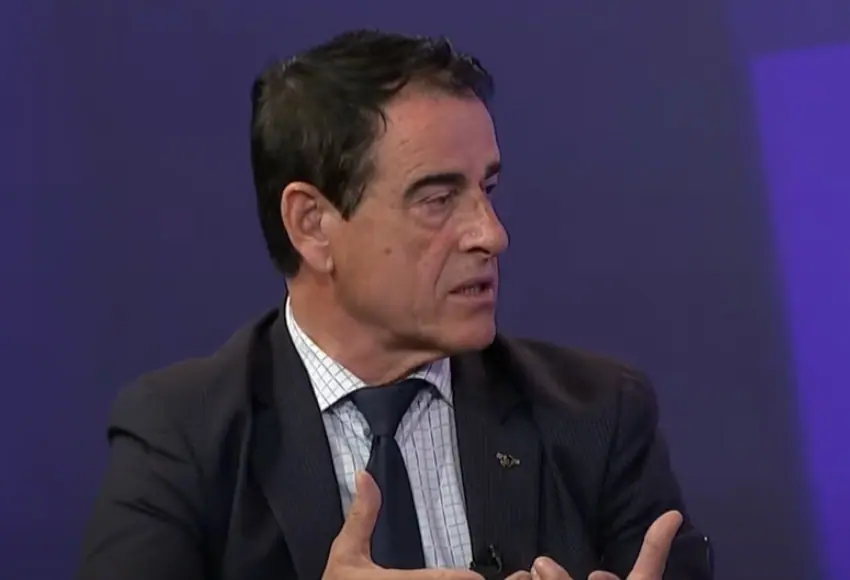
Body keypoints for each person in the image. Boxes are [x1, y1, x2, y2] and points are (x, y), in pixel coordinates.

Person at [77, 29, 713, 580]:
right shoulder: (183, 439)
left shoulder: (598, 417)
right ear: (312, 225)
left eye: (487, 189)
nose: (491, 234)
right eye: (437, 199)